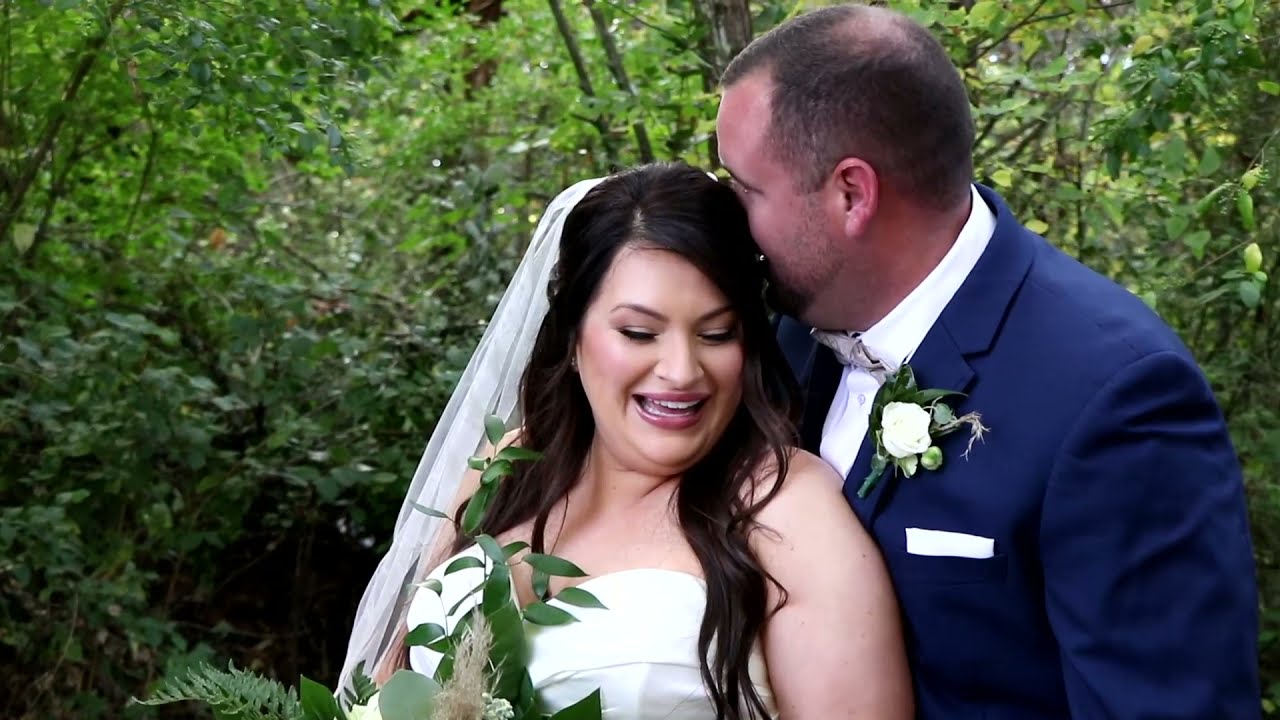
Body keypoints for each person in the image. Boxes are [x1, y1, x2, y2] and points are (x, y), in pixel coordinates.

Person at [714, 4, 1259, 718]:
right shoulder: (772, 338)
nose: (730, 220)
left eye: (746, 190)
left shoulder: (1116, 396)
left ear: (852, 193)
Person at [340, 162, 913, 718]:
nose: (682, 370)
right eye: (639, 332)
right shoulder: (506, 465)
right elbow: (395, 684)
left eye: (716, 334)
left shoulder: (786, 505)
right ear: (571, 336)